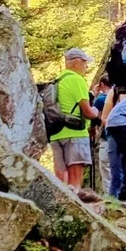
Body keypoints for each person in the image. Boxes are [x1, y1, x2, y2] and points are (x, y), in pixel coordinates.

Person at [50, 48, 98, 187]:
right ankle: (74, 207)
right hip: (75, 134)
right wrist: (96, 112)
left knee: (61, 181)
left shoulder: (57, 81)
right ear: (76, 62)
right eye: (84, 62)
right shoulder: (76, 80)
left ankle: (60, 206)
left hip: (55, 134)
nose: (86, 66)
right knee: (75, 182)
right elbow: (87, 112)